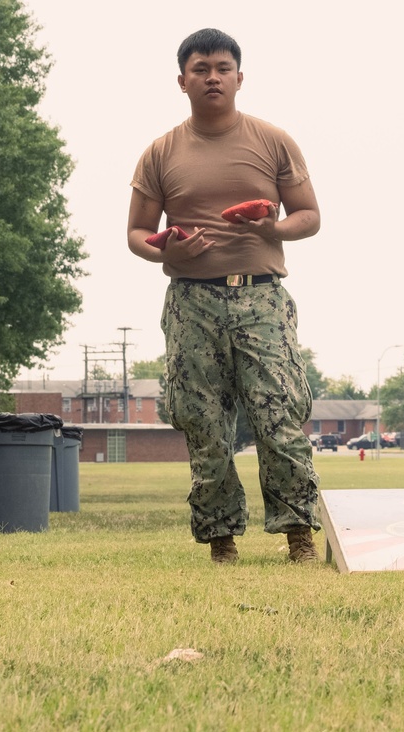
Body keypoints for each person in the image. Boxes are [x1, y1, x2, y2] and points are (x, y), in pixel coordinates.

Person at [127, 28, 322, 565]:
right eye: (200, 69)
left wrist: (273, 231)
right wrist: (170, 252)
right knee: (203, 421)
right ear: (182, 80)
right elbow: (137, 233)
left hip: (261, 299)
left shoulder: (273, 141)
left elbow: (309, 216)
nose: (211, 77)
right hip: (192, 301)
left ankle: (299, 533)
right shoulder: (160, 153)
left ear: (239, 77)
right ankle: (220, 541)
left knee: (278, 416)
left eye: (221, 68)